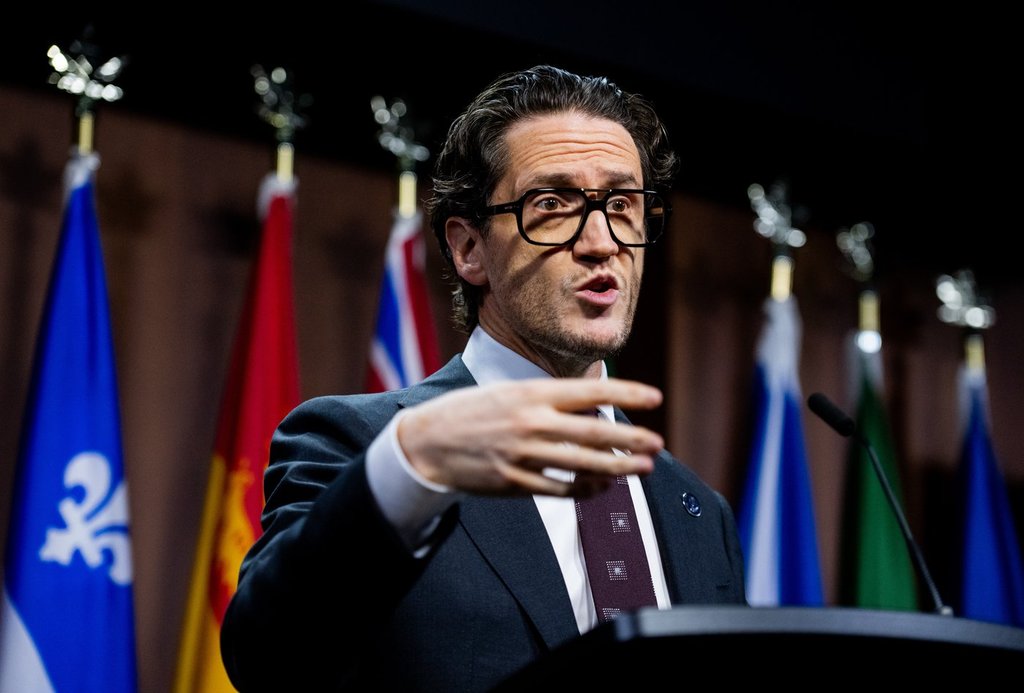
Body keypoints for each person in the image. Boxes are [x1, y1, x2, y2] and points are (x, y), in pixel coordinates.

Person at [220, 64, 747, 692]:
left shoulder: (698, 511)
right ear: (470, 249)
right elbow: (269, 658)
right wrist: (414, 466)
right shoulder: (367, 445)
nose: (602, 241)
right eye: (552, 205)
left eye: (623, 205)